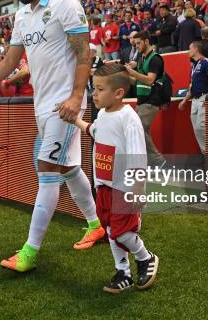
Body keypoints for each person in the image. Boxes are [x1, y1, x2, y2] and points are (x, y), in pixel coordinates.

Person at [0, 0, 105, 273]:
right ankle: (96, 224)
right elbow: (10, 62)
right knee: (67, 169)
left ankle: (29, 252)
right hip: (42, 107)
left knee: (46, 169)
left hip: (65, 105)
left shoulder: (65, 5)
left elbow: (84, 55)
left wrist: (77, 96)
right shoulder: (22, 16)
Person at [74, 63, 158, 293]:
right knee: (110, 228)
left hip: (124, 188)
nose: (94, 93)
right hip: (104, 186)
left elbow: (137, 155)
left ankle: (145, 257)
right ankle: (124, 272)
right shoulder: (102, 114)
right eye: (94, 88)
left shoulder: (128, 118)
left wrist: (138, 189)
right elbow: (94, 130)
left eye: (100, 89)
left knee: (122, 231)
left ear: (119, 93)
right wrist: (74, 120)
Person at [125, 31, 166, 168]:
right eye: (135, 44)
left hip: (151, 100)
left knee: (139, 130)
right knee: (142, 132)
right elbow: (137, 81)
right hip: (141, 101)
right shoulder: (142, 58)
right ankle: (150, 162)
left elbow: (149, 80)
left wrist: (132, 72)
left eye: (138, 43)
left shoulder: (155, 59)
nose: (136, 46)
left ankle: (158, 160)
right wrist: (124, 76)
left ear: (146, 41)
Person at [178, 41, 208, 153]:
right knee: (196, 128)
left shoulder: (206, 61)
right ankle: (205, 153)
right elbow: (192, 87)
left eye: (190, 49)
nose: (188, 51)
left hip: (203, 98)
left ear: (196, 49)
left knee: (201, 126)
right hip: (194, 100)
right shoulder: (194, 66)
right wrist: (185, 100)